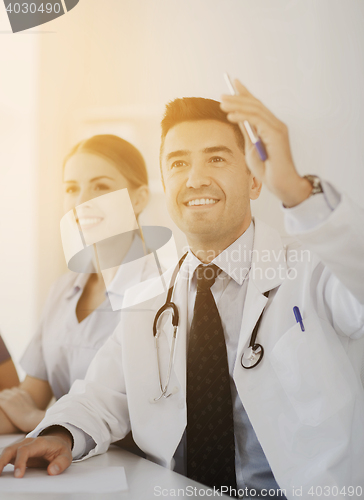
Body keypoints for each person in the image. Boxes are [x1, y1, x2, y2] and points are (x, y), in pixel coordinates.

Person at [1, 83, 363, 500]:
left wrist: (298, 192)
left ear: (255, 180)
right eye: (177, 163)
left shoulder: (315, 269)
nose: (195, 178)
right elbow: (101, 395)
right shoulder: (151, 296)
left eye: (216, 157)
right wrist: (61, 433)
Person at [0, 134, 155, 437]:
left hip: (136, 475)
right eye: (72, 188)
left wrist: (38, 420)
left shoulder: (160, 291)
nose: (82, 201)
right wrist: (30, 415)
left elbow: (150, 425)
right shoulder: (62, 290)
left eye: (101, 186)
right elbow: (29, 396)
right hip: (70, 469)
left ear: (139, 198)